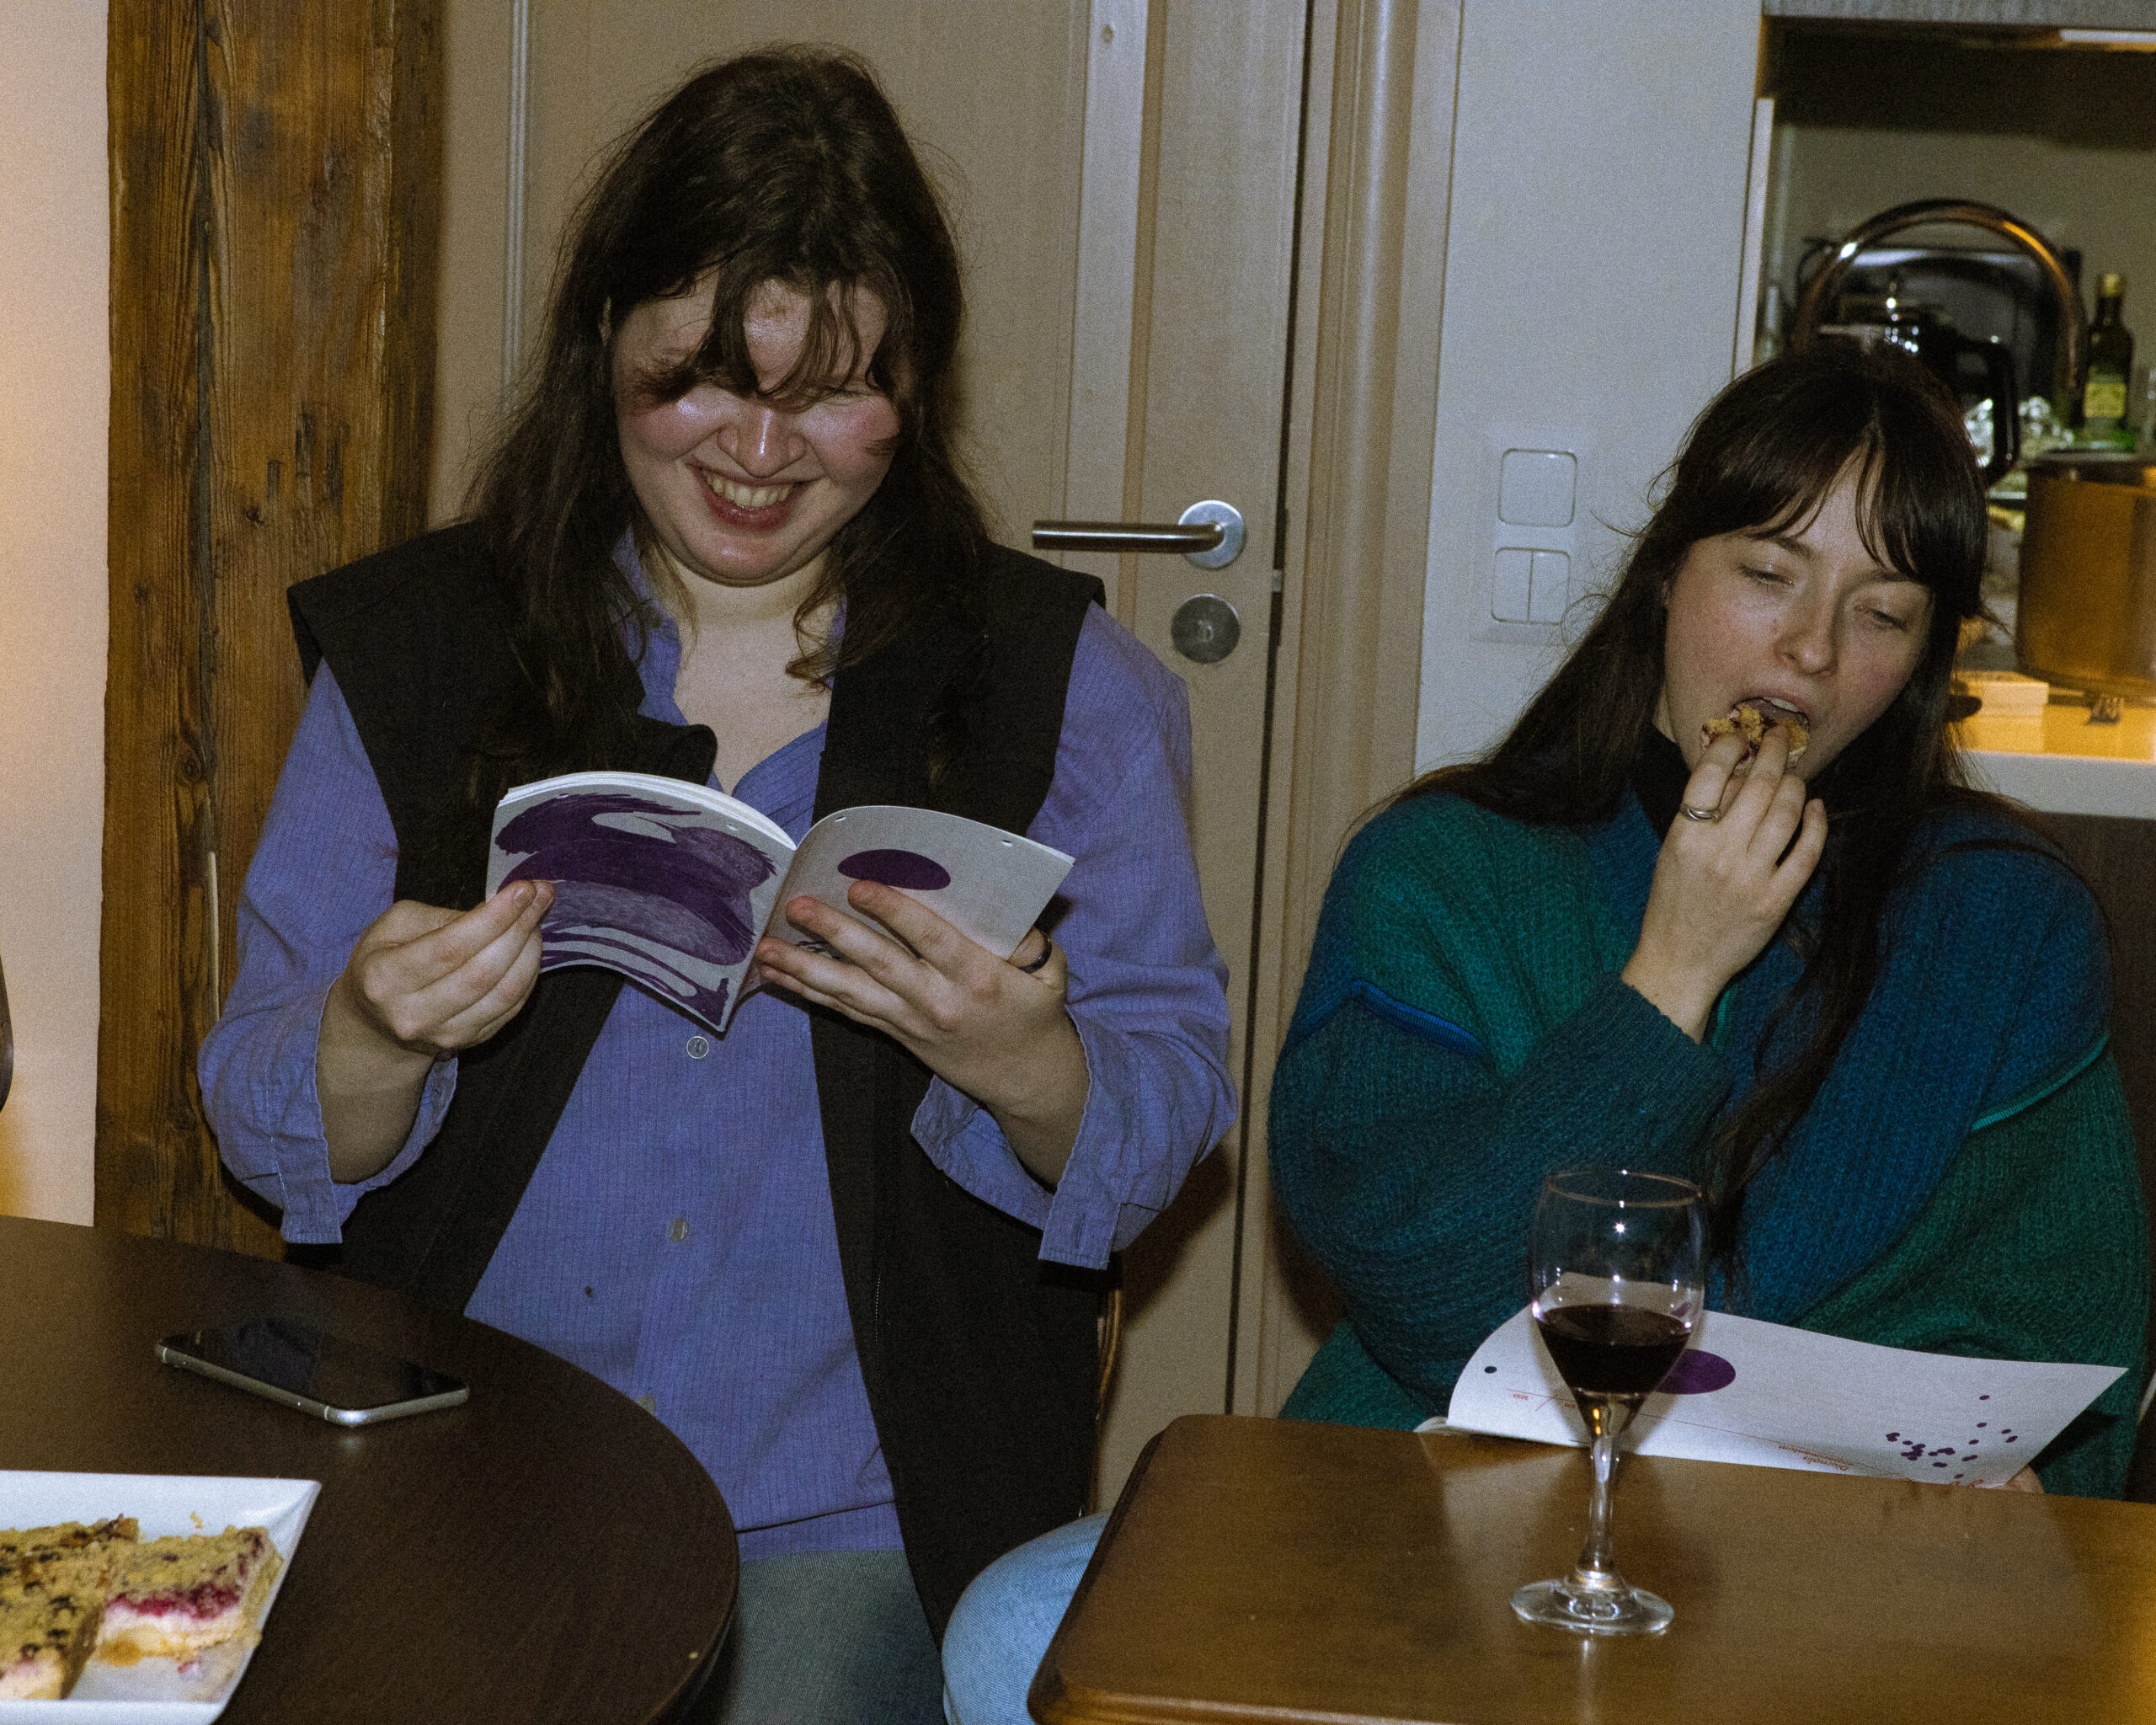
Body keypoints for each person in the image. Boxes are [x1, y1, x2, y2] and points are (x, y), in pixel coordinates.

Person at [198, 48, 1235, 1725]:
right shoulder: (424, 650)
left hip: (850, 1509)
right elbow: (264, 1121)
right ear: (604, 344)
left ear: (914, 390)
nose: (758, 451)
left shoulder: (1058, 686)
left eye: (829, 393)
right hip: (466, 1460)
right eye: (696, 381)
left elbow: (1170, 1100)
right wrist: (372, 1032)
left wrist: (1024, 1063)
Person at [938, 339, 2147, 1722]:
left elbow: (2054, 1331)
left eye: (1883, 614)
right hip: (1440, 1519)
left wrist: (2009, 1484)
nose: (1813, 651)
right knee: (1017, 1629)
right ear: (1666, 573)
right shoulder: (1441, 869)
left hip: (1820, 1571)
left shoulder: (1999, 919)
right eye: (1767, 575)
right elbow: (1432, 1292)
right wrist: (1671, 977)